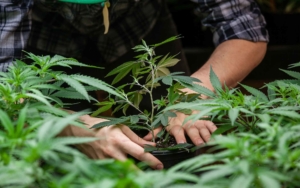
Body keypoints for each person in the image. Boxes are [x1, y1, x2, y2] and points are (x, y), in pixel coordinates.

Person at [0, 0, 268, 169]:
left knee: (179, 143)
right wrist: (67, 125)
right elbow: (4, 81)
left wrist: (195, 90)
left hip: (138, 29)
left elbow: (243, 28)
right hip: (42, 41)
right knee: (57, 161)